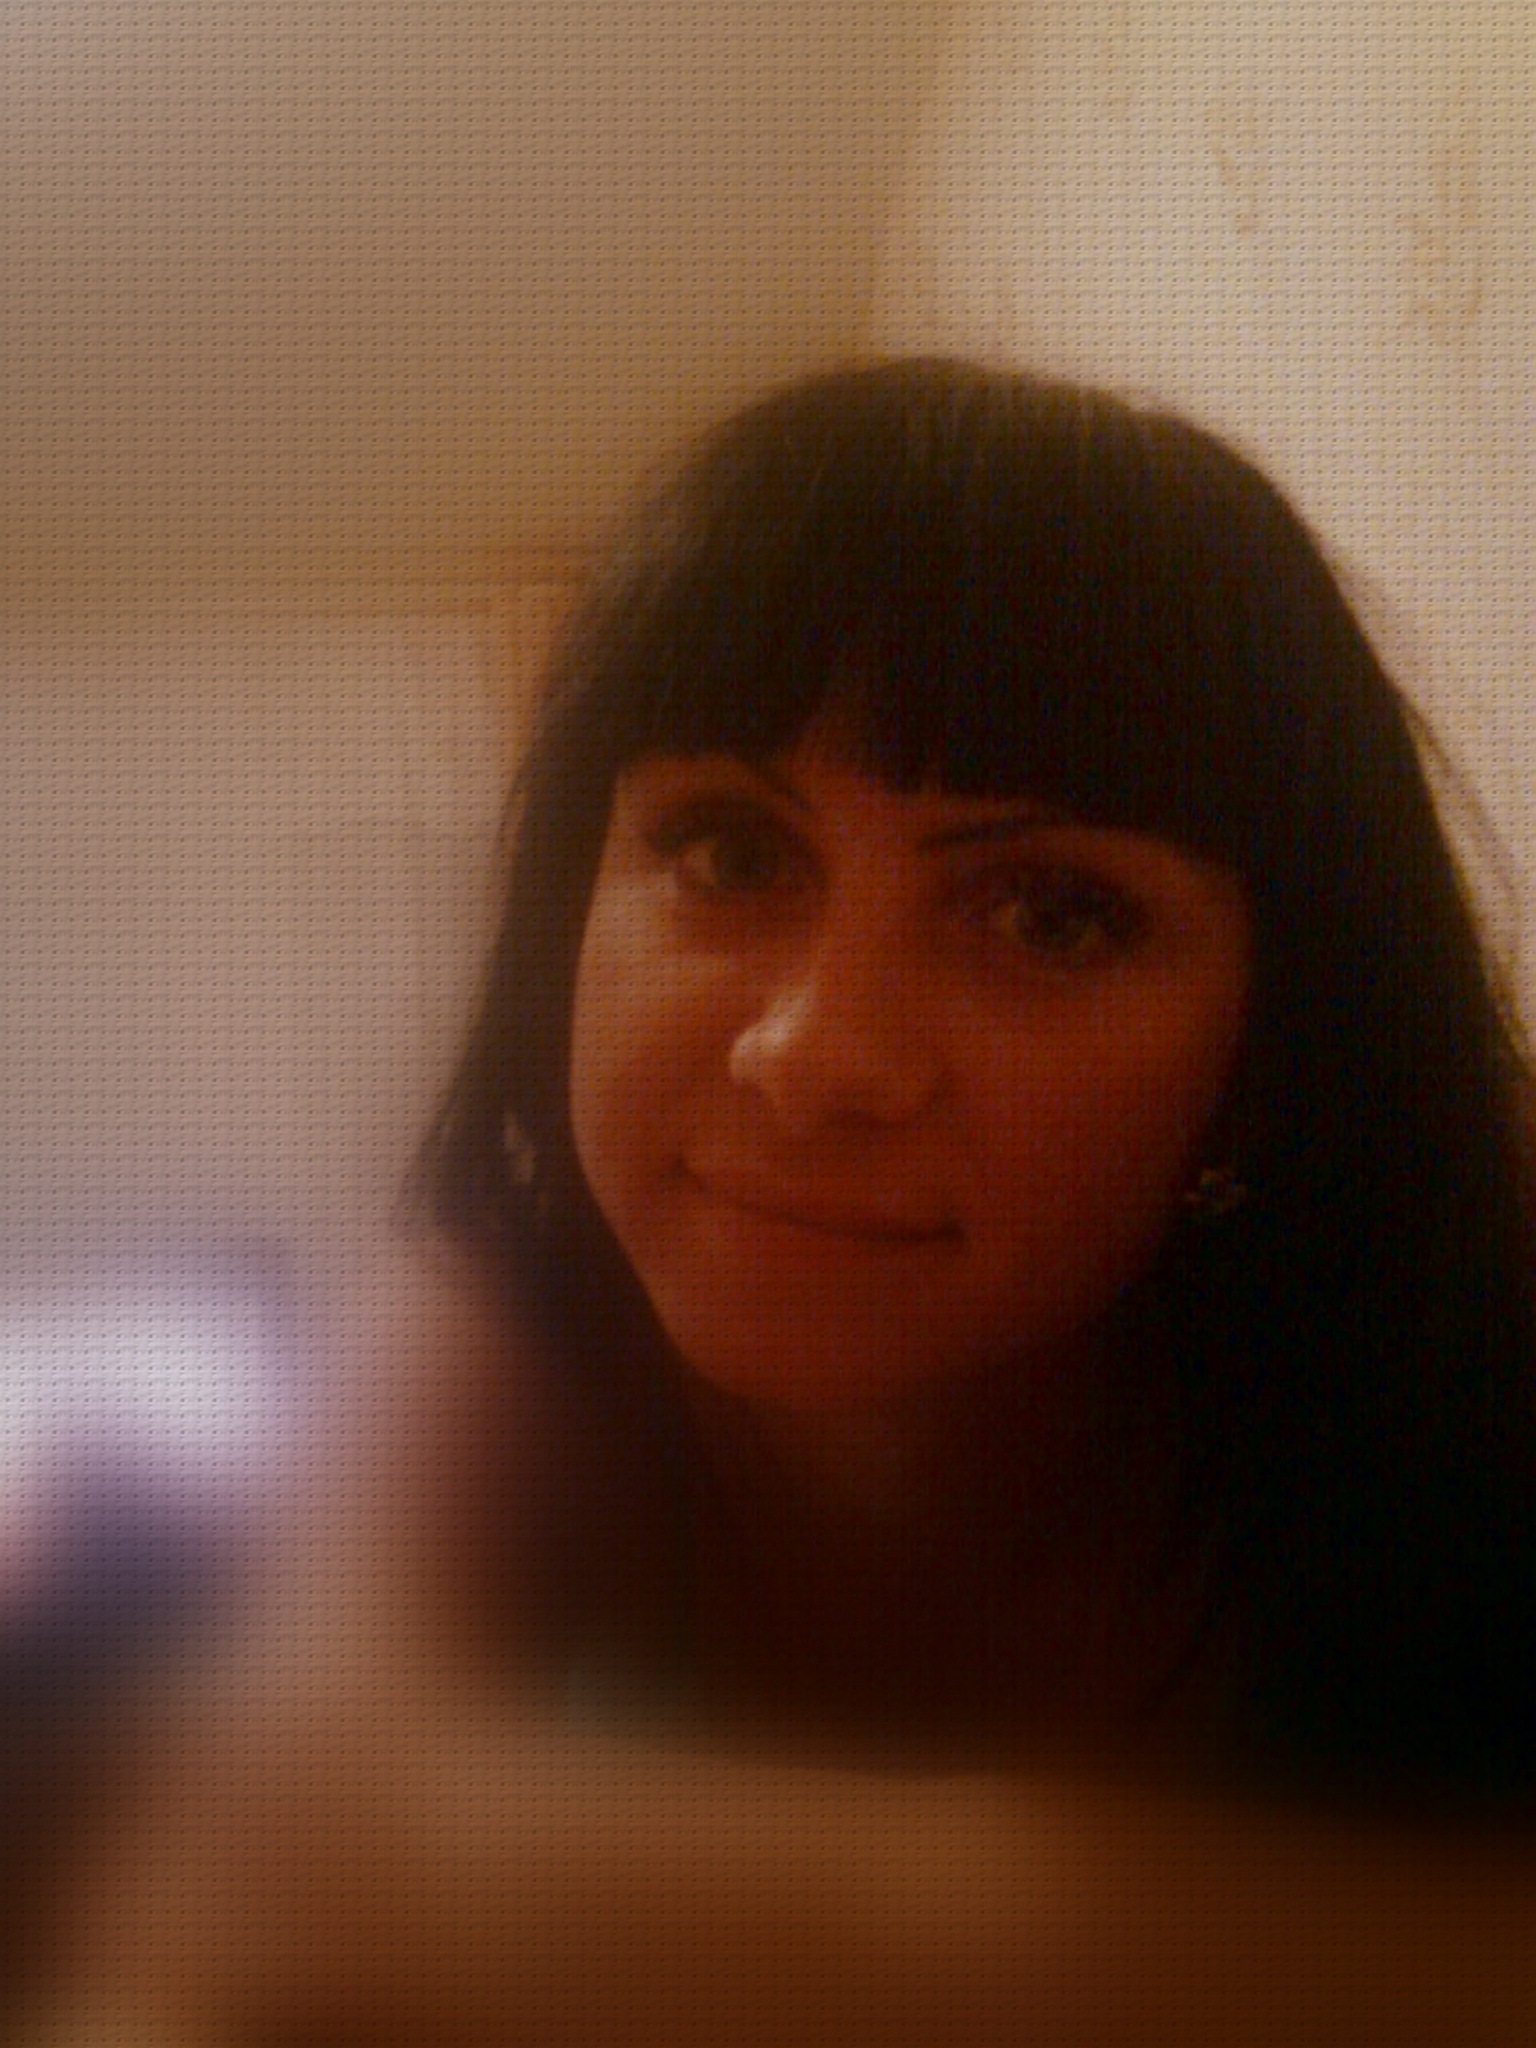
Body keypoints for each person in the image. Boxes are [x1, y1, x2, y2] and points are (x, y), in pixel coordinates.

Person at [30, 358, 1536, 2042]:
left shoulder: (1468, 1363)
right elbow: (247, 1897)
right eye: (732, 853)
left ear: (1277, 1042)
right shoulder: (488, 1324)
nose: (813, 1056)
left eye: (1052, 915)